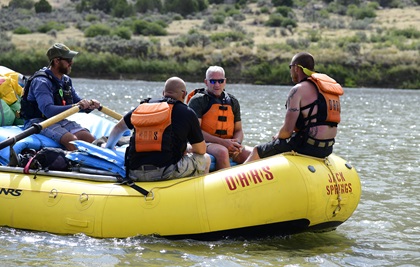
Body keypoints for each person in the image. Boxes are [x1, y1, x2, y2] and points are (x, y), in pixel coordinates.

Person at [105, 77, 211, 182]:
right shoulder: (187, 112)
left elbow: (118, 128)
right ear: (184, 94)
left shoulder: (142, 107)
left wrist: (109, 147)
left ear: (163, 92)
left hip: (134, 172)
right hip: (165, 172)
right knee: (206, 159)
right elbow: (201, 150)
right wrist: (187, 148)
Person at [245, 52, 344, 162]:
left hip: (307, 147)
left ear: (296, 68)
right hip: (327, 148)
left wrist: (277, 136)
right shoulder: (324, 89)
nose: (291, 71)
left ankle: (237, 178)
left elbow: (287, 131)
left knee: (257, 151)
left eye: (290, 67)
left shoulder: (298, 90)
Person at [21, 43, 101, 151]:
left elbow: (77, 102)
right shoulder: (41, 82)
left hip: (58, 119)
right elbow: (48, 110)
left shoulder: (66, 80)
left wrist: (89, 105)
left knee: (89, 138)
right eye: (68, 60)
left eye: (71, 60)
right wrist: (77, 106)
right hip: (38, 121)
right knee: (72, 140)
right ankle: (77, 165)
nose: (71, 63)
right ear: (56, 61)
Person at [187, 66, 251, 171]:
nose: (217, 85)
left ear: (225, 82)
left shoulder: (233, 101)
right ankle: (226, 185)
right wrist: (223, 142)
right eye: (212, 81)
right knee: (222, 152)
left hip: (228, 143)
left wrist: (237, 144)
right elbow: (194, 131)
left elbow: (239, 130)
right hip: (204, 143)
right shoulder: (198, 100)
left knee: (253, 153)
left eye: (220, 81)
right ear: (206, 82)